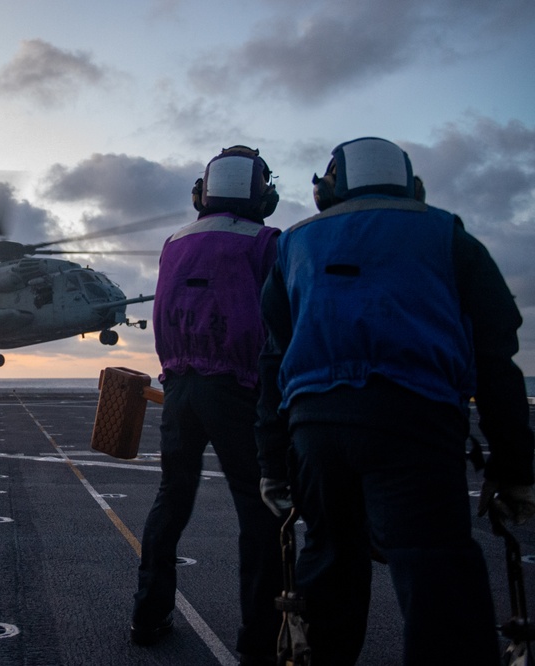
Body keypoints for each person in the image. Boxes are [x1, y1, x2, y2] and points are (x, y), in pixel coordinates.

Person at [256, 136, 535, 665]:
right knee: (438, 584)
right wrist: (515, 467)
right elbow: (497, 357)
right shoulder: (447, 235)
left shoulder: (294, 246)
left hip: (317, 434)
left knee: (327, 574)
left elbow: (272, 363)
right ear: (413, 187)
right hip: (415, 424)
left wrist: (272, 464)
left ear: (326, 191)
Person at [132, 146, 285, 664]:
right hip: (241, 388)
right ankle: (260, 638)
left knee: (171, 498)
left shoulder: (174, 241)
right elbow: (282, 320)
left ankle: (148, 613)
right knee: (258, 508)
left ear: (202, 193)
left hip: (180, 388)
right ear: (262, 194)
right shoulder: (267, 241)